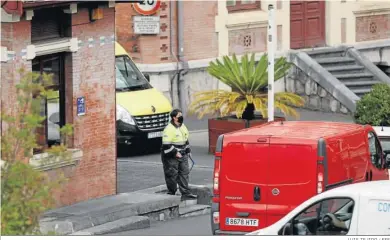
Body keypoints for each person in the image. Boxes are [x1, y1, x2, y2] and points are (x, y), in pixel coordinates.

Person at [161, 109, 197, 200]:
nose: (181, 117)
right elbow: (166, 145)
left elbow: (185, 140)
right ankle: (171, 194)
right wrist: (175, 153)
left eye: (181, 115)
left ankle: (185, 193)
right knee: (172, 174)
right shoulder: (169, 129)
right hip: (171, 156)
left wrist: (188, 151)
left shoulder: (182, 126)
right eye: (179, 116)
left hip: (183, 154)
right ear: (174, 118)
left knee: (184, 173)